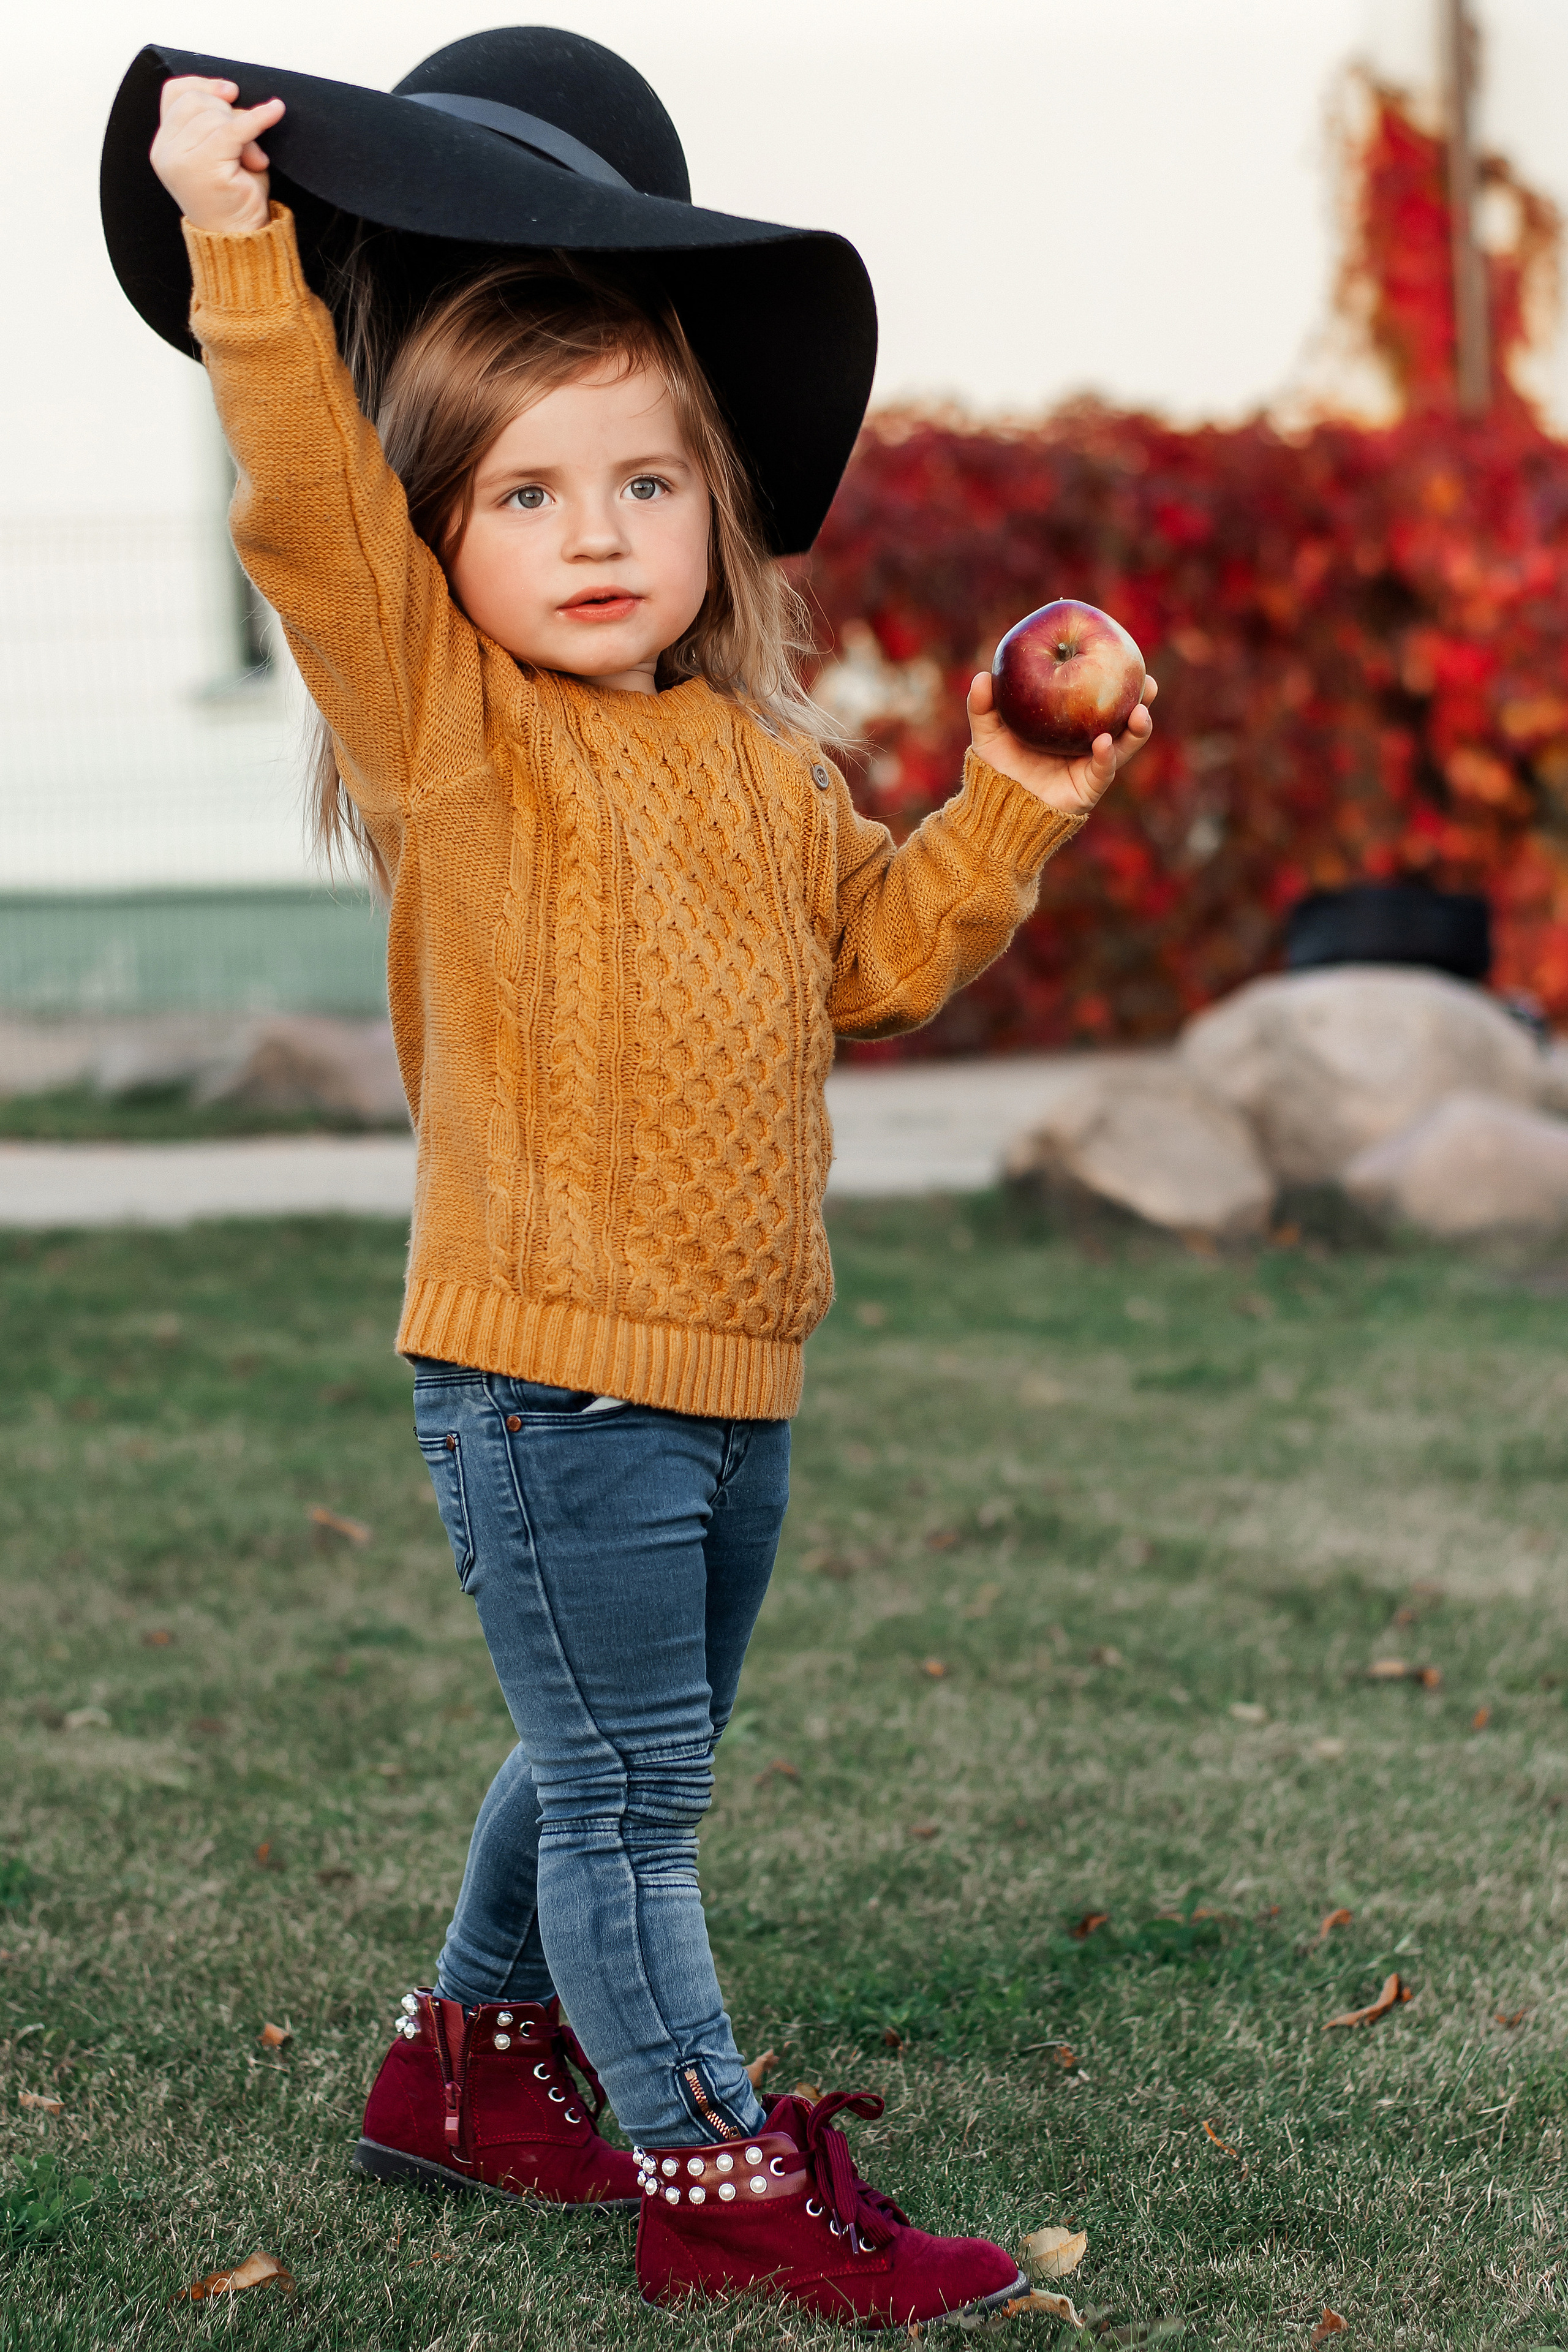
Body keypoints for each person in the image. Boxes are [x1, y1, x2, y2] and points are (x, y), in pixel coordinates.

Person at [113, 27, 1155, 2328]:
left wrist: (1009, 792)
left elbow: (876, 963)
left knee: (608, 1753)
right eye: (522, 496)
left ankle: (472, 2072)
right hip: (541, 1376)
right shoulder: (455, 746)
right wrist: (234, 242)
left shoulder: (761, 774)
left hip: (736, 1367)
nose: (592, 535)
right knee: (630, 1798)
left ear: (719, 512)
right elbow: (300, 497)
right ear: (446, 542)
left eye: (641, 486)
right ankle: (708, 2160)